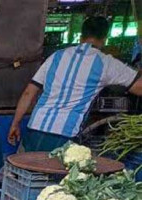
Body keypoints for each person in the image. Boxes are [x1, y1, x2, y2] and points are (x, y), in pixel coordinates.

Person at [10, 16, 142, 152]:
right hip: (65, 134)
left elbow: (28, 92)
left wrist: (15, 123)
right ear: (104, 38)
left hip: (35, 127)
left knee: (26, 169)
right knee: (54, 172)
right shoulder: (106, 63)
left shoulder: (56, 56)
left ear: (81, 35)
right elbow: (139, 88)